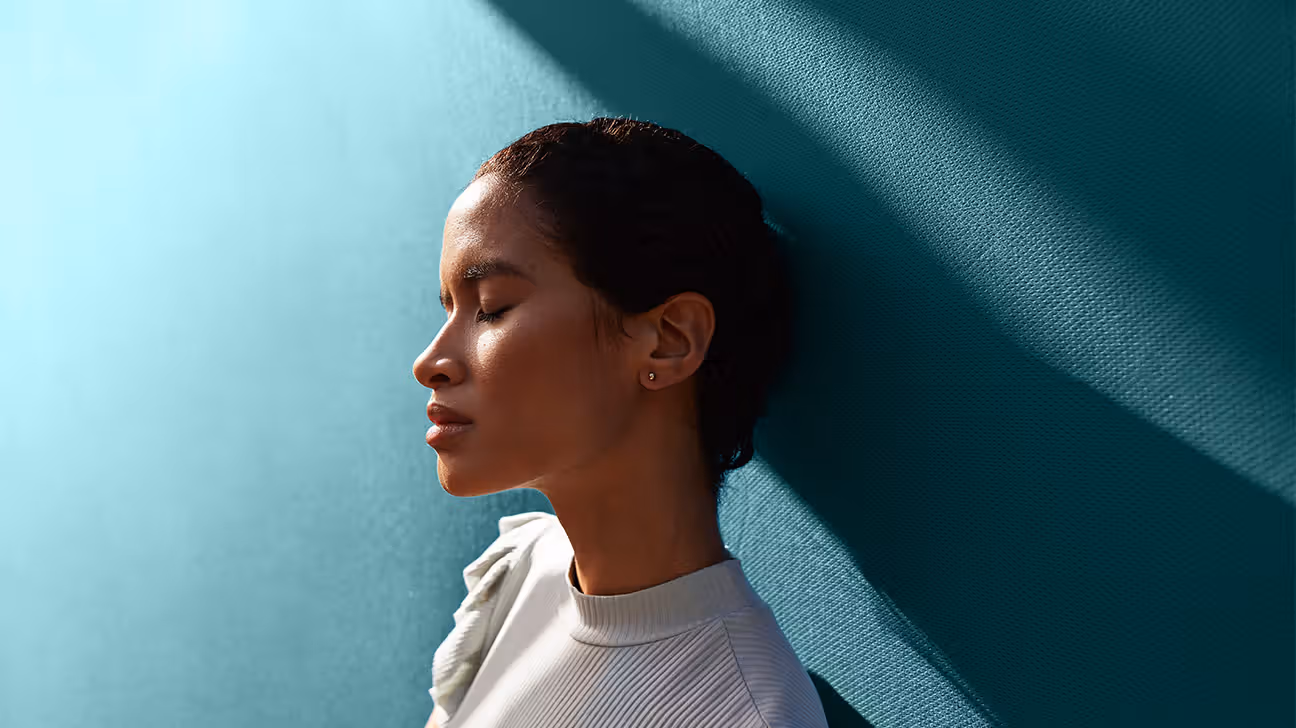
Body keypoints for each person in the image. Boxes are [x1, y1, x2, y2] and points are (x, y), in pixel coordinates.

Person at [412, 116, 825, 727]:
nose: (430, 363)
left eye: (492, 309)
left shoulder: (743, 713)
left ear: (668, 340)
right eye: (451, 309)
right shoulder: (525, 566)